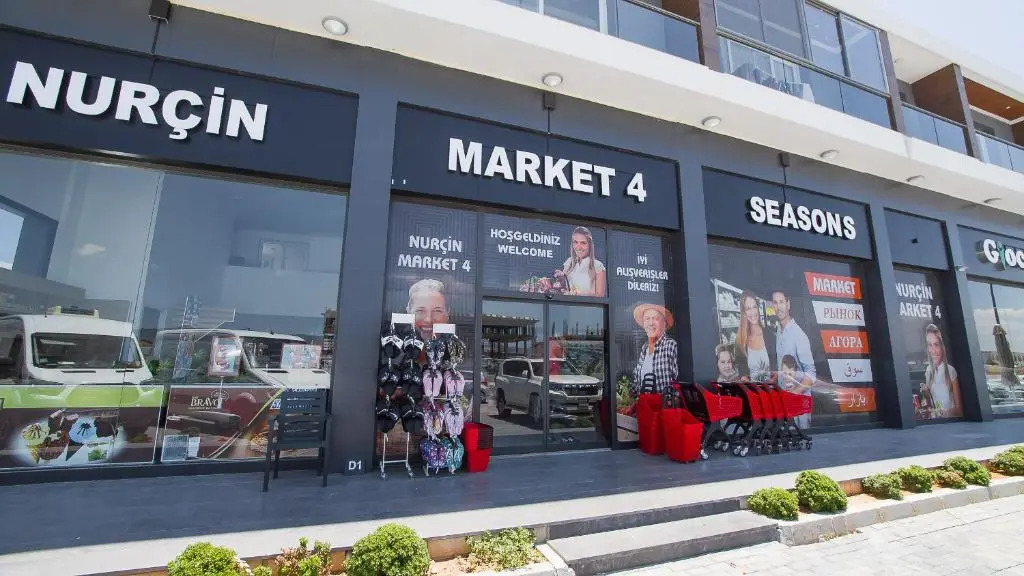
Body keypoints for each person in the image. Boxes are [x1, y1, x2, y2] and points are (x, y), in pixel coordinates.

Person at [630, 303, 678, 394]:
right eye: (647, 319)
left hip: (663, 402)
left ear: (664, 323)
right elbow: (637, 381)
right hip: (646, 401)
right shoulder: (644, 348)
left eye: (655, 318)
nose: (651, 323)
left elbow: (678, 381)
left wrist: (670, 398)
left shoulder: (670, 345)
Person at [772, 289, 816, 381]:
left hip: (795, 390)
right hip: (782, 389)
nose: (778, 307)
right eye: (775, 303)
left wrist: (796, 390)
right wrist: (776, 378)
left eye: (781, 302)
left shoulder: (798, 335)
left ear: (788, 305)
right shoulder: (779, 331)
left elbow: (811, 374)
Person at [734, 291, 775, 382]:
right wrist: (744, 378)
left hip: (770, 389)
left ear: (758, 308)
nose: (752, 312)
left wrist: (773, 379)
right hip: (752, 390)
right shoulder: (740, 341)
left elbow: (776, 369)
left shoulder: (770, 336)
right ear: (744, 312)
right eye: (748, 308)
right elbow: (742, 372)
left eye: (754, 307)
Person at [923, 323, 961, 418]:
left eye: (936, 345)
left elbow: (959, 411)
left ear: (942, 347)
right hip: (936, 424)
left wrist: (940, 413)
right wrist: (925, 394)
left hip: (950, 424)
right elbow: (929, 406)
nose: (933, 351)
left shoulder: (951, 371)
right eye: (930, 345)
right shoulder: (928, 371)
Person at [557, 226, 607, 297]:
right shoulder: (569, 262)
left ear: (590, 245)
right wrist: (561, 279)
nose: (579, 247)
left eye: (583, 243)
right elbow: (564, 290)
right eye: (575, 242)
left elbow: (600, 296)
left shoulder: (598, 266)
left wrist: (580, 294)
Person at [779, 354, 815, 428]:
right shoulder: (782, 382)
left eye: (790, 374)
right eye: (784, 373)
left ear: (796, 372)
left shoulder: (803, 383)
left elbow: (804, 422)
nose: (787, 377)